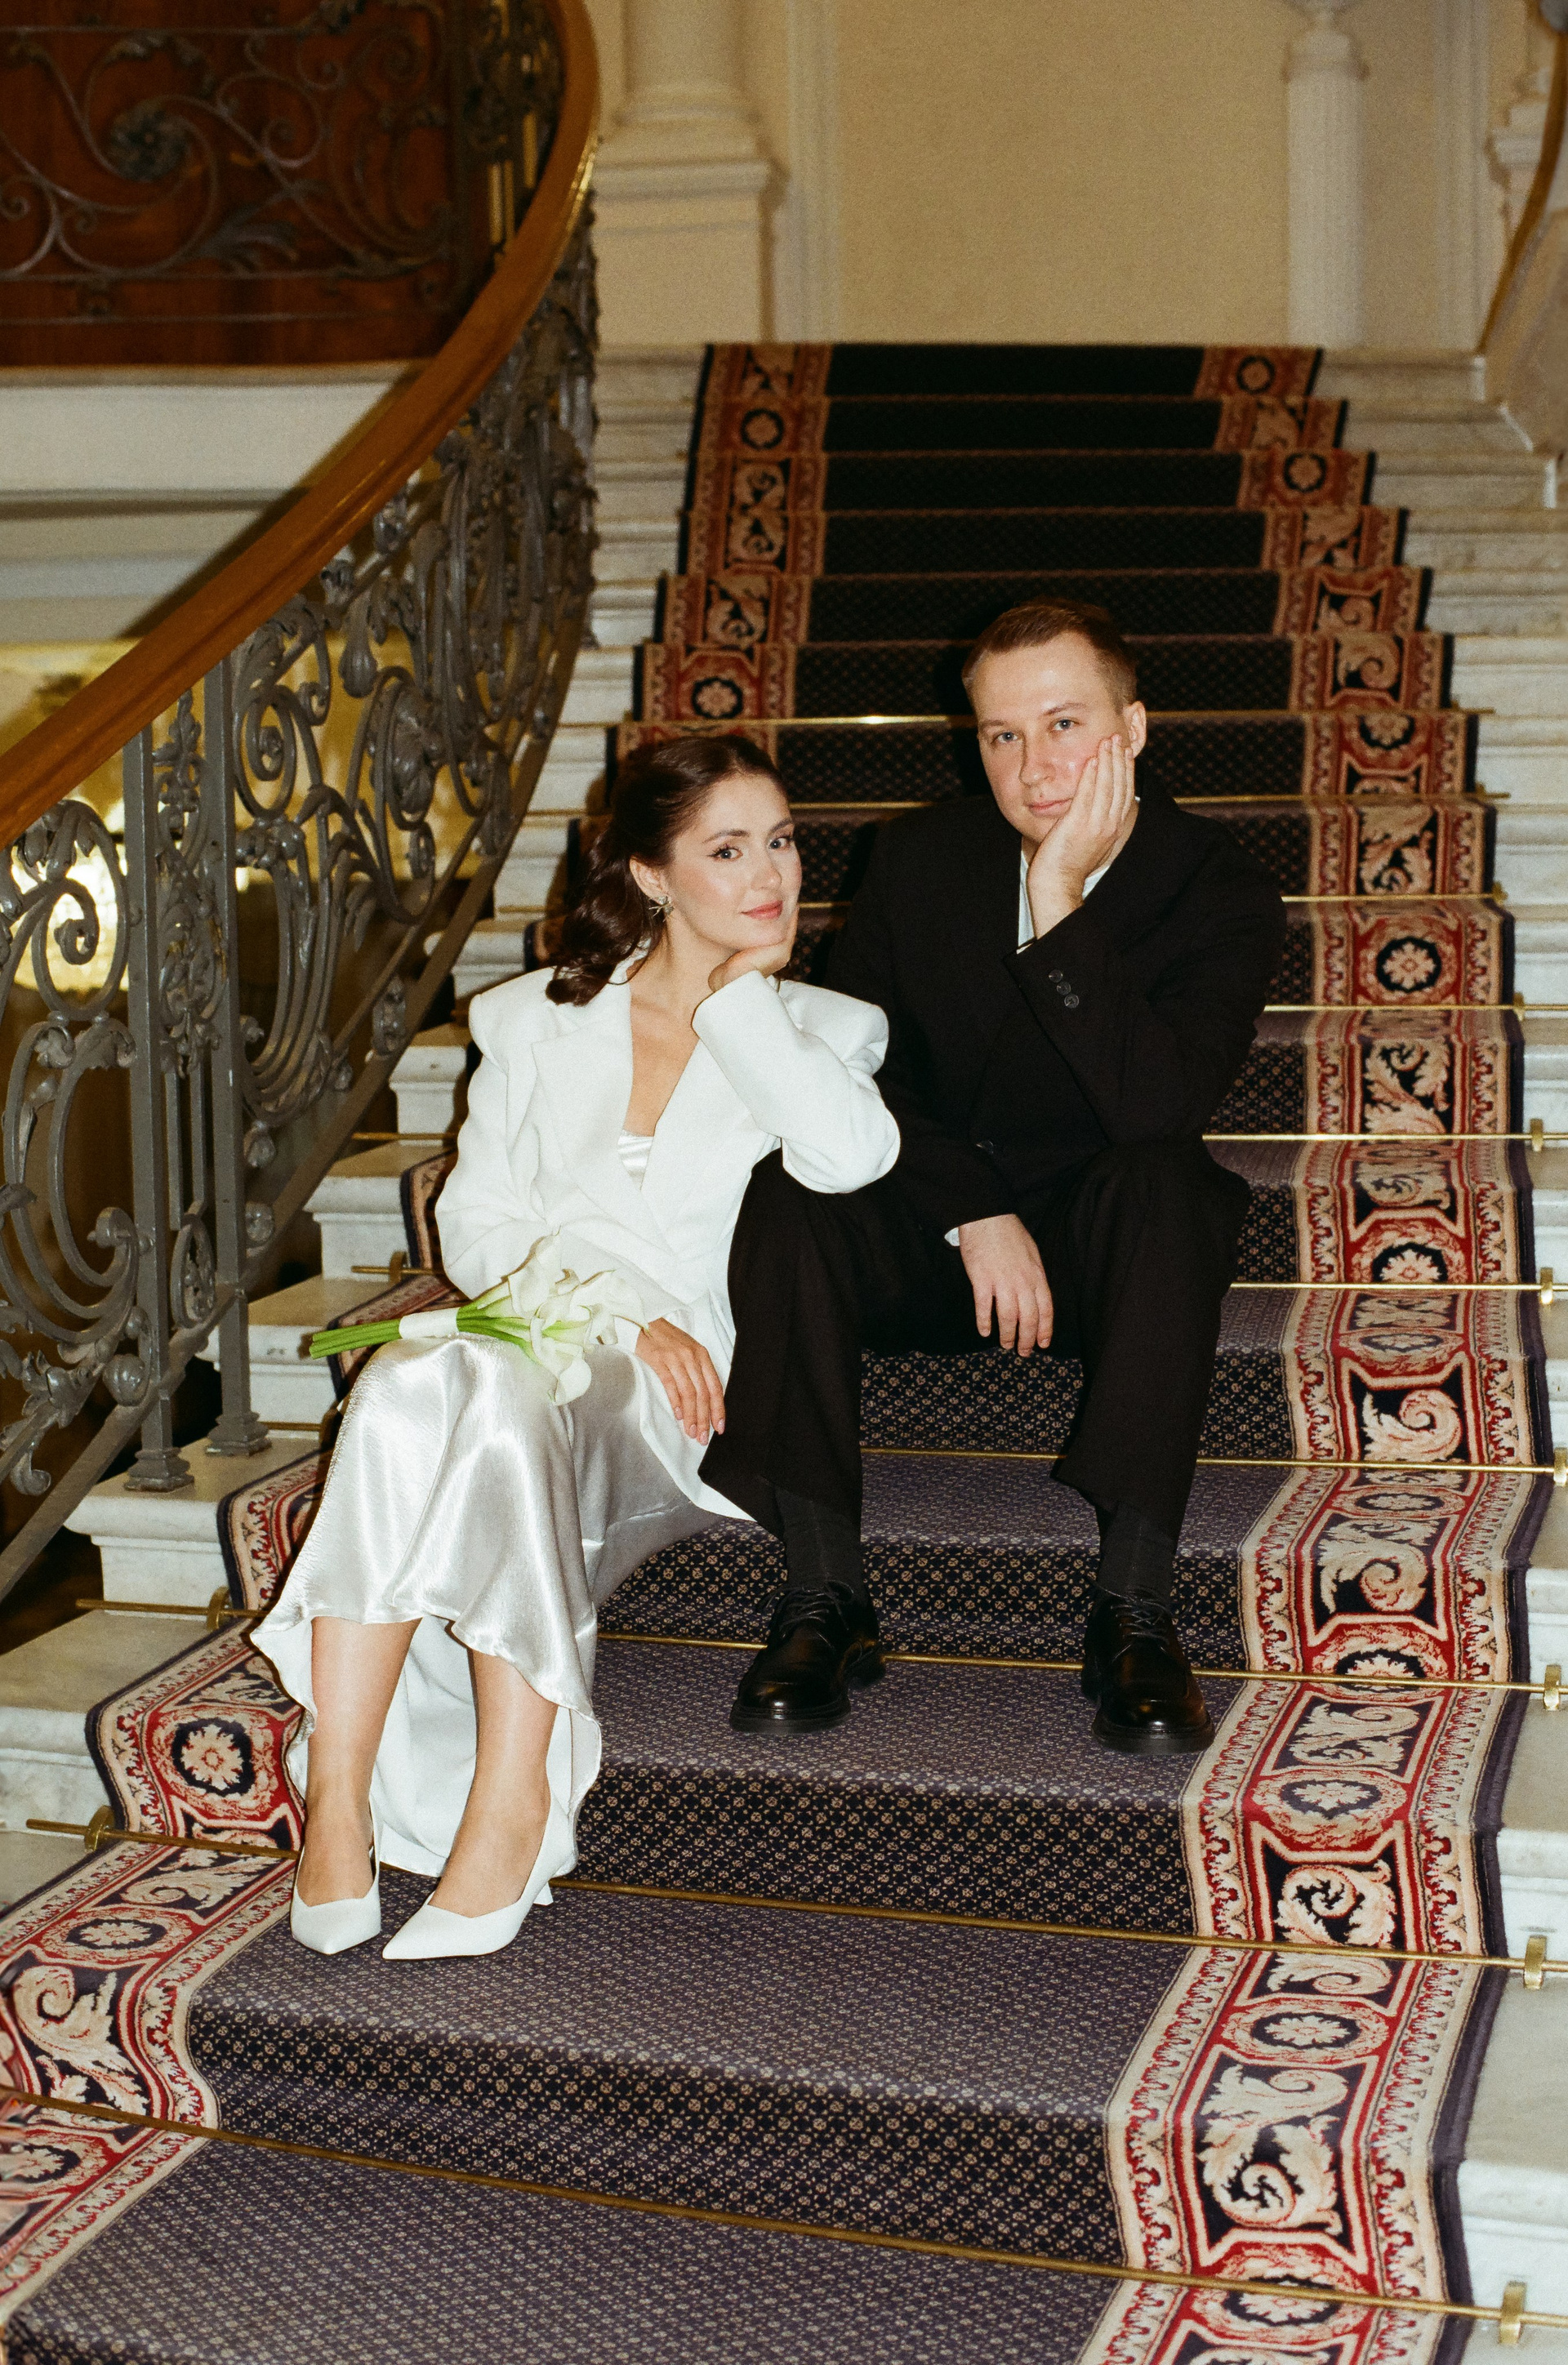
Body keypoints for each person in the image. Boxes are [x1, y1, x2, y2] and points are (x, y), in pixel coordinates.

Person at [253, 736, 899, 1962]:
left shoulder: (823, 1028)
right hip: (553, 1341)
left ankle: (502, 1807)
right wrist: (617, 1306)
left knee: (469, 1391)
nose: (771, 874)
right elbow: (475, 1225)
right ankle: (344, 1799)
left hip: (679, 1396)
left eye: (780, 841)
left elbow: (853, 1161)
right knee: (405, 1386)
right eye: (728, 849)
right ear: (652, 875)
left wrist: (740, 1001)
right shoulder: (533, 1019)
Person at [701, 599, 1285, 1755]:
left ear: (1134, 728)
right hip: (936, 1225)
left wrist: (1059, 906)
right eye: (1002, 735)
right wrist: (972, 1206)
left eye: (1065, 724)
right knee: (791, 1190)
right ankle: (825, 1594)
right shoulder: (920, 857)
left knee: (1172, 1190)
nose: (1034, 766)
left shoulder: (1218, 888)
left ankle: (1134, 1608)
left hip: (1106, 1251)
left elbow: (1158, 1109)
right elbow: (854, 1064)